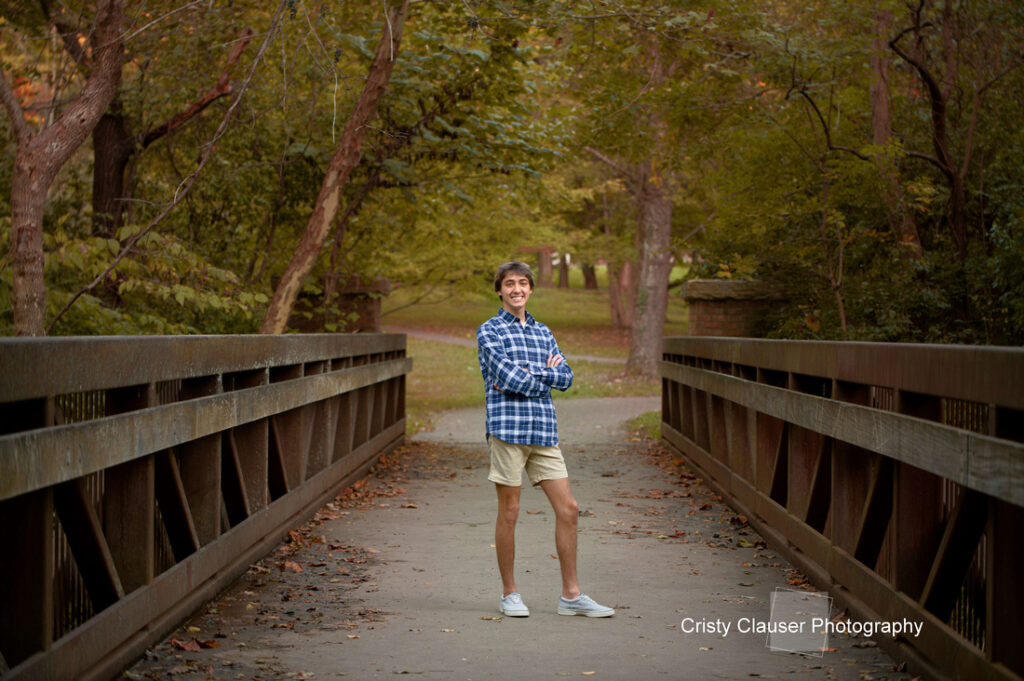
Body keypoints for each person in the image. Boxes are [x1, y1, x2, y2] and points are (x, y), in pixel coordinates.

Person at [476, 260, 614, 618]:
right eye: (509, 284)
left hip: (543, 431)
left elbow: (566, 377)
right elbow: (507, 376)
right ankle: (510, 594)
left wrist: (535, 376)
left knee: (569, 509)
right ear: (500, 290)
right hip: (507, 431)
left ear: (531, 289)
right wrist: (544, 375)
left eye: (523, 283)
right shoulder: (489, 331)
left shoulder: (544, 332)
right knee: (510, 511)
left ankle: (571, 596)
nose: (516, 289)